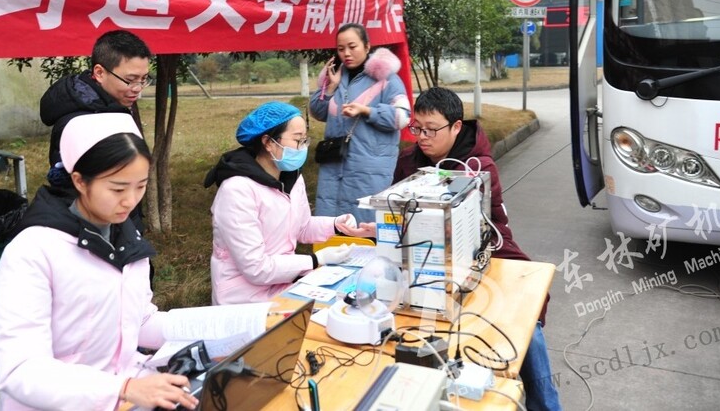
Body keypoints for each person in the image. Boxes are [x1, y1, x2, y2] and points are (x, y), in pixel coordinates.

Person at [0, 113, 199, 411]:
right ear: (79, 181)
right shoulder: (33, 251)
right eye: (118, 189)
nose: (130, 201)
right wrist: (123, 388)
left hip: (127, 395)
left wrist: (234, 325)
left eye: (140, 186)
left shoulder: (125, 237)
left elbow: (140, 321)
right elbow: (20, 369)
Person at [393, 87, 561, 411]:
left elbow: (483, 230)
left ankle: (545, 403)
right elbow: (394, 209)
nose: (422, 137)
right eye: (417, 128)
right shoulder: (407, 161)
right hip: (424, 259)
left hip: (489, 251)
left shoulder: (477, 166)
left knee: (523, 317)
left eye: (431, 129)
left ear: (456, 127)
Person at [204, 101, 372, 305]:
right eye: (298, 140)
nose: (303, 147)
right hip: (243, 299)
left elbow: (302, 227)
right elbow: (256, 268)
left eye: (305, 140)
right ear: (268, 142)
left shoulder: (291, 178)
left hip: (284, 284)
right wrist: (316, 260)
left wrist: (336, 225)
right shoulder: (237, 190)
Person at [309, 23, 411, 222]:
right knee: (331, 227)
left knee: (364, 226)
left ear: (367, 46)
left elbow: (402, 117)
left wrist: (367, 111)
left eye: (352, 46)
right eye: (340, 49)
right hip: (333, 166)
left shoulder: (386, 79)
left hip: (369, 169)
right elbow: (317, 112)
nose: (346, 53)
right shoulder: (336, 76)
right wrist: (330, 87)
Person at [40, 29, 152, 189]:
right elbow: (75, 194)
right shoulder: (80, 123)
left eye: (144, 79)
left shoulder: (110, 106)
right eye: (130, 80)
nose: (138, 88)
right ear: (99, 73)